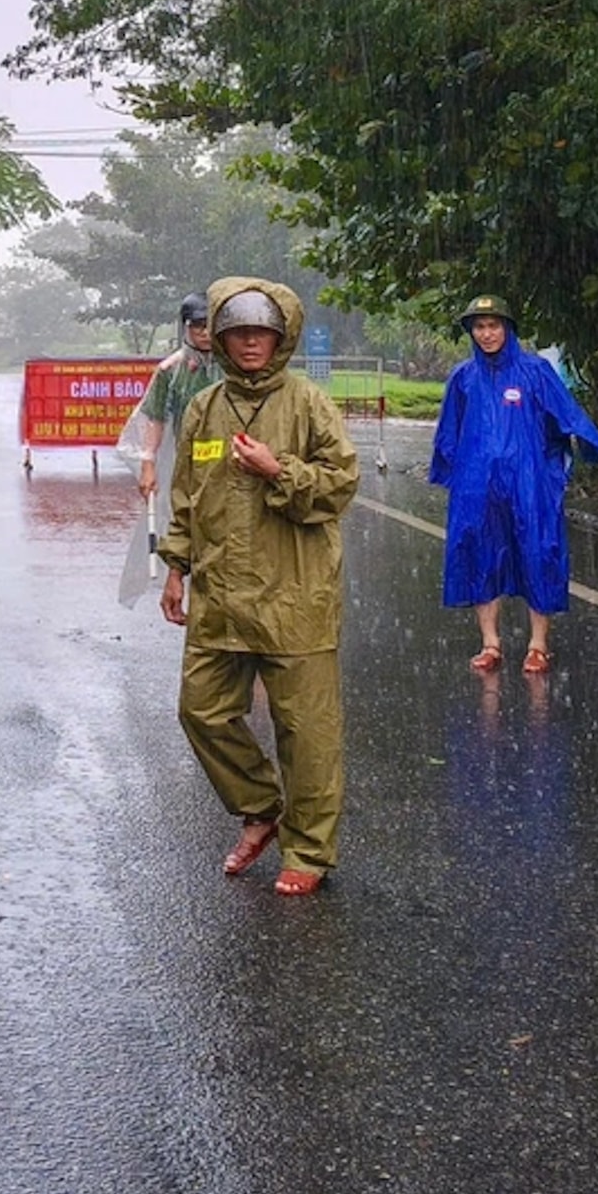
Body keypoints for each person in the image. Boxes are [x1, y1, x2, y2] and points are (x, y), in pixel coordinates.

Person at [158, 279, 359, 896]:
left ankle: (309, 851)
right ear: (219, 338)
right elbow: (187, 495)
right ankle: (261, 807)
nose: (250, 342)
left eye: (262, 332)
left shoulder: (308, 404)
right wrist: (176, 565)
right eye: (238, 331)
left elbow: (341, 483)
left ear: (281, 338)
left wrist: (281, 471)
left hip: (295, 593)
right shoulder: (204, 408)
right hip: (221, 594)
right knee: (202, 710)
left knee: (308, 730)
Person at [429, 294, 598, 674]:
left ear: (508, 329)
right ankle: (490, 643)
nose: (487, 333)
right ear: (471, 332)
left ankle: (538, 645)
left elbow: (566, 413)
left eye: (494, 325)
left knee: (538, 550)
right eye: (479, 327)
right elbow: (449, 430)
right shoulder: (463, 378)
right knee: (479, 552)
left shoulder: (534, 371)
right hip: (478, 484)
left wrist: (591, 446)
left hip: (529, 482)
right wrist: (451, 474)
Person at [129, 292, 215, 504]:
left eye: (210, 325)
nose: (205, 332)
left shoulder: (236, 367)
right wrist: (148, 463)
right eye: (198, 325)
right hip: (187, 460)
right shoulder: (170, 370)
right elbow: (155, 417)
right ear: (186, 327)